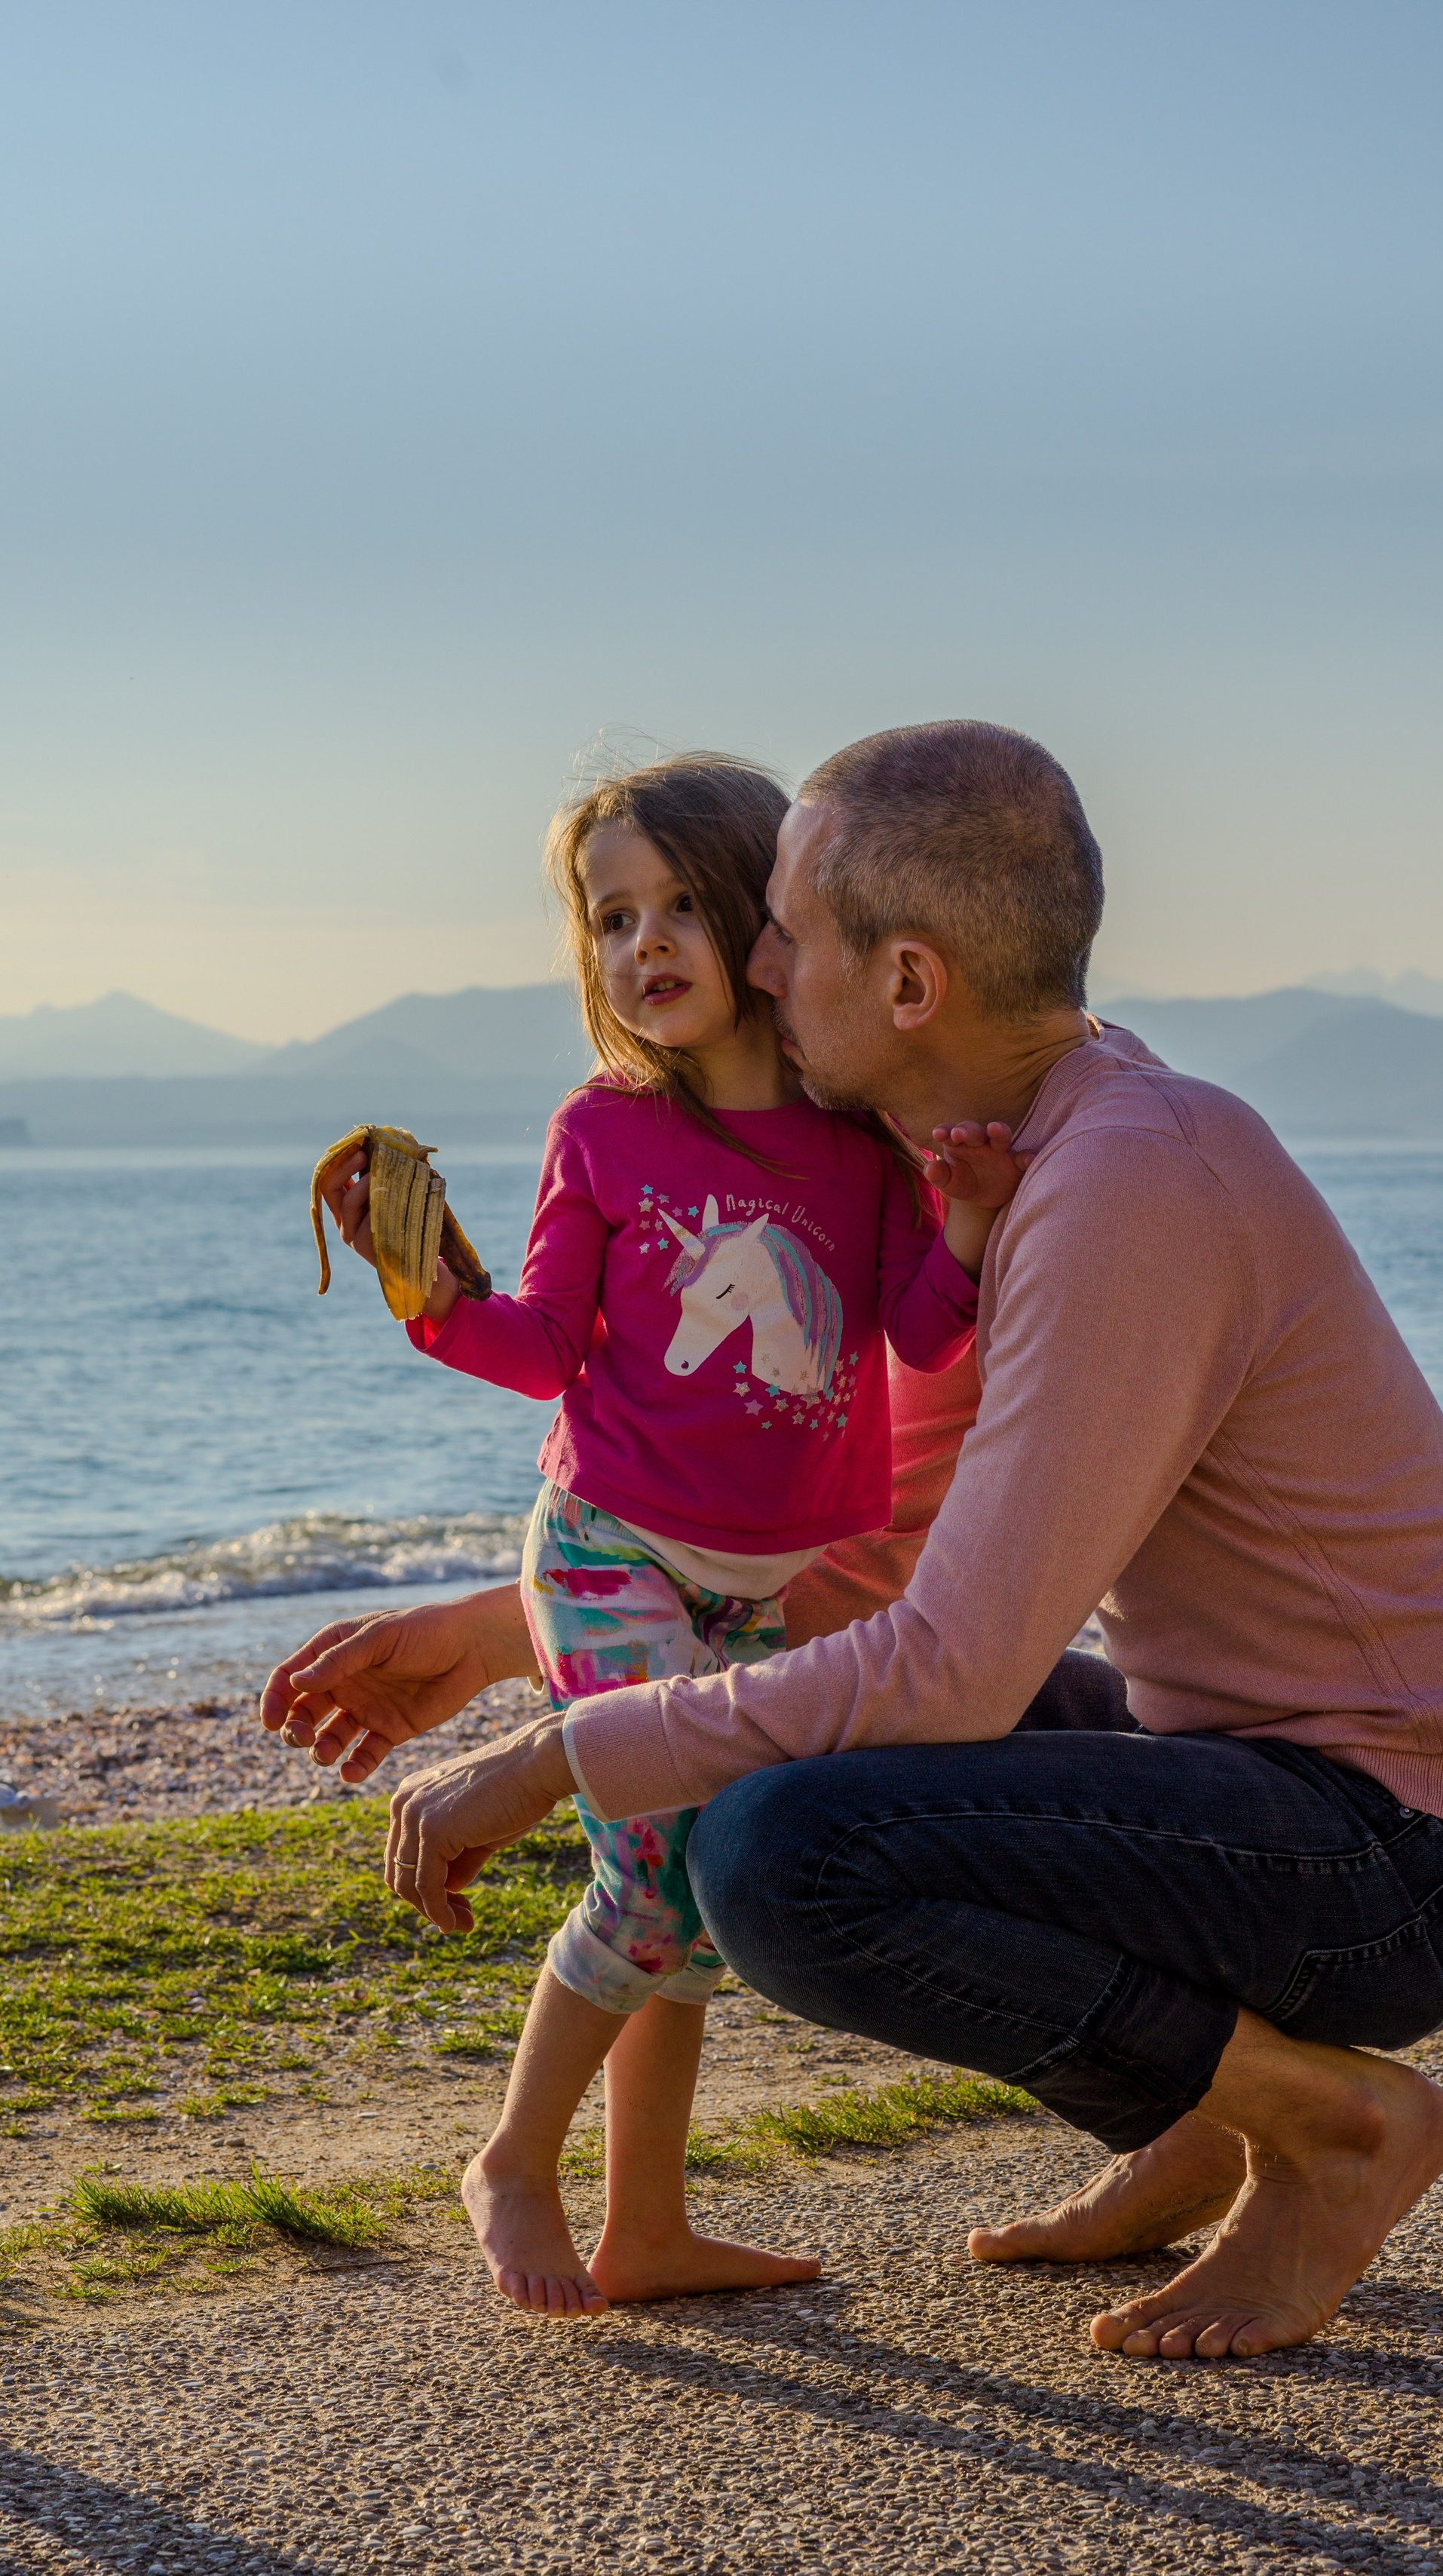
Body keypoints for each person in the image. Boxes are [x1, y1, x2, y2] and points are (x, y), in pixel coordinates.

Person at [270, 719, 1443, 2363]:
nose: (748, 958)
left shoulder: (1120, 1190)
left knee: (780, 1856)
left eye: (779, 929)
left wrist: (551, 1759)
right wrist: (499, 1627)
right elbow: (882, 1552)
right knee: (805, 1736)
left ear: (904, 984)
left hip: (1405, 1852)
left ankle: (1326, 2125)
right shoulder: (1034, 1156)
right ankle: (1202, 2119)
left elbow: (946, 1665)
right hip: (1282, 1782)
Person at [307, 750, 1025, 2319]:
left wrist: (965, 1218)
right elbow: (544, 1342)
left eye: (680, 903)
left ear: (770, 921)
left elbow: (909, 1338)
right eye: (610, 915)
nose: (645, 943)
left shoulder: (855, 1141)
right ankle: (510, 2159)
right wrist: (426, 1294)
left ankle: (645, 2225)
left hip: (753, 1579)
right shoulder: (605, 1130)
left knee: (687, 1900)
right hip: (605, 1550)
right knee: (647, 1886)